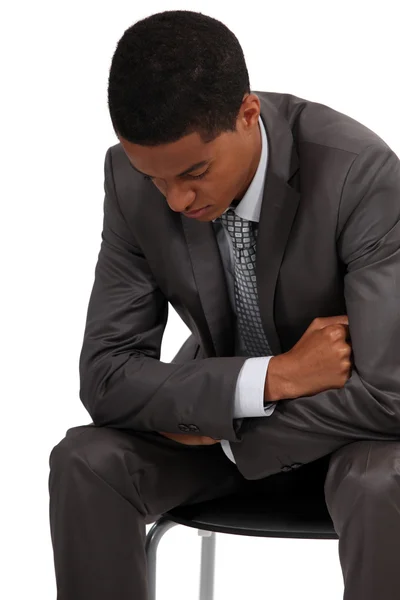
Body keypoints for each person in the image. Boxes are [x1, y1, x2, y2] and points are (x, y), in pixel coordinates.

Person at [48, 9, 400, 600]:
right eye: (155, 179)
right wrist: (272, 380)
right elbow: (105, 376)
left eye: (195, 173)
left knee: (384, 481)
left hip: (350, 440)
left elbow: (391, 396)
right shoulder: (131, 181)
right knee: (85, 461)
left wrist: (231, 432)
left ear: (246, 112)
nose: (176, 198)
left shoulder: (358, 174)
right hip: (214, 427)